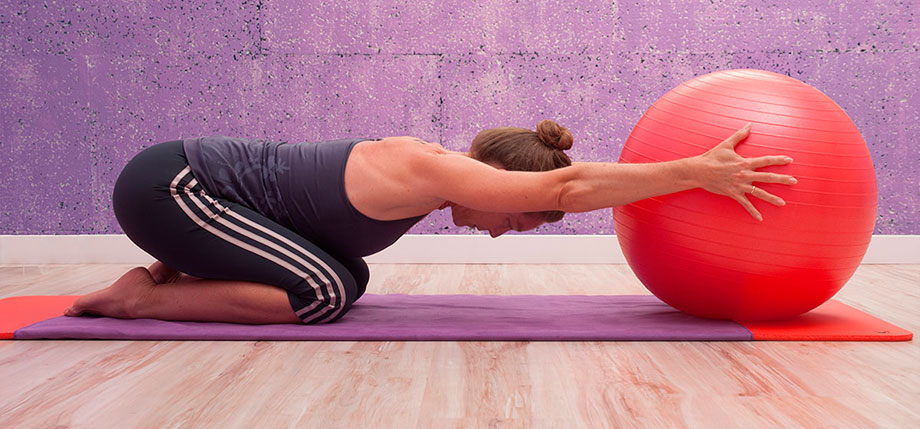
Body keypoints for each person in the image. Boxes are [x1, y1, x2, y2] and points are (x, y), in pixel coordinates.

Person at [65, 120, 795, 324]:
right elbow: (572, 184)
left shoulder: (426, 180)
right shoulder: (431, 169)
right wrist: (695, 173)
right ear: (502, 181)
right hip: (171, 187)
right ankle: (139, 296)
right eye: (518, 216)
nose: (502, 230)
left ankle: (171, 271)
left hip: (195, 196)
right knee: (322, 292)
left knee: (348, 273)